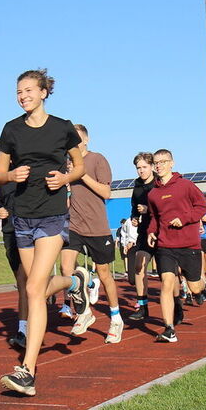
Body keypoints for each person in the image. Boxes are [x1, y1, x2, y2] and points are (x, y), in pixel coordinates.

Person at [0, 69, 88, 397]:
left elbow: (79, 166)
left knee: (34, 289)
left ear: (44, 92)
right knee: (35, 287)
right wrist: (11, 175)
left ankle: (28, 371)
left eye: (29, 90)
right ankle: (75, 282)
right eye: (19, 92)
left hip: (52, 216)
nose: (23, 96)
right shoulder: (11, 129)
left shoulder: (62, 128)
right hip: (23, 217)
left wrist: (64, 180)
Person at [58, 125, 124, 342]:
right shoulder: (67, 164)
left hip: (97, 227)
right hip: (74, 225)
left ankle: (115, 318)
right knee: (66, 267)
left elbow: (106, 192)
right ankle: (85, 311)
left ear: (85, 140)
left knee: (104, 274)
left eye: (76, 139)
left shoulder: (97, 159)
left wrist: (81, 174)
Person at [145, 149, 206, 343]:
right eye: (156, 163)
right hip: (165, 246)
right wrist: (151, 231)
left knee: (194, 287)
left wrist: (183, 219)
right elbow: (154, 217)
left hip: (188, 243)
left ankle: (203, 287)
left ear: (172, 163)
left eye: (163, 162)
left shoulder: (186, 185)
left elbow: (201, 207)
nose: (159, 166)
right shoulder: (153, 194)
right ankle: (169, 328)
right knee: (166, 284)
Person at [0, 169, 29, 348]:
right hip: (10, 232)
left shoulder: (31, 172)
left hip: (30, 231)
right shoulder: (1, 179)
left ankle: (23, 330)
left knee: (25, 281)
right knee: (22, 281)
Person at [128, 152, 156, 321]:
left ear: (152, 166)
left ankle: (178, 304)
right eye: (138, 168)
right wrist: (134, 218)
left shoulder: (159, 184)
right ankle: (142, 306)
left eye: (144, 167)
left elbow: (165, 209)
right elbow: (134, 207)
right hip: (144, 232)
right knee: (139, 266)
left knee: (168, 273)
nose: (141, 171)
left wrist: (148, 210)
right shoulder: (137, 186)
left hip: (162, 233)